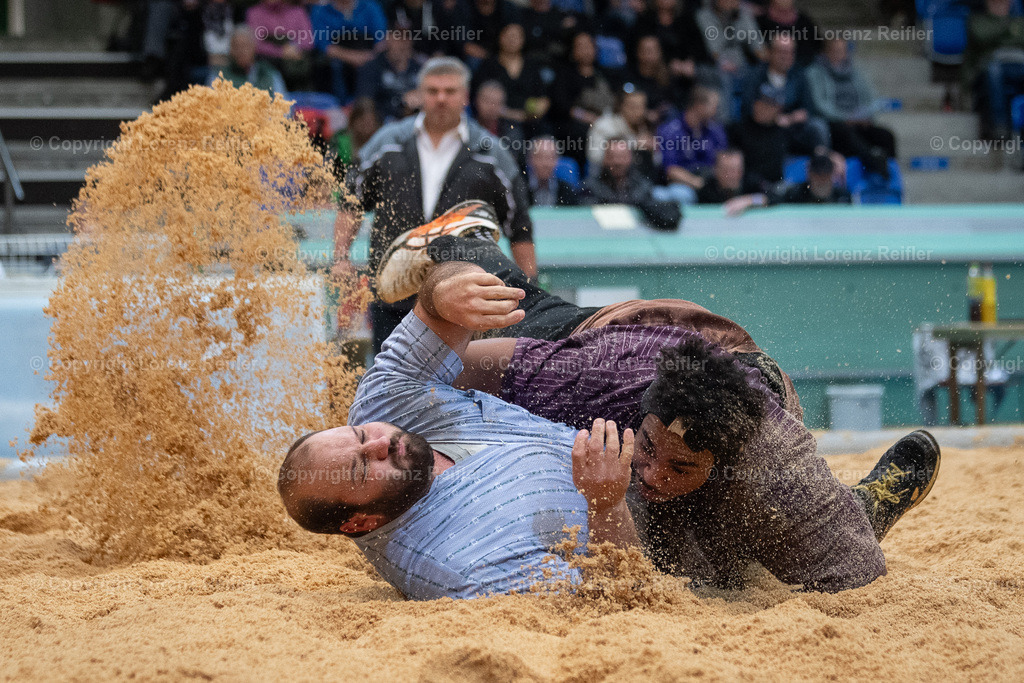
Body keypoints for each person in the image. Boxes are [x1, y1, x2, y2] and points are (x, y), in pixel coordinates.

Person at [370, 212, 942, 591]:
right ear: (638, 419)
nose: (653, 473)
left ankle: (869, 501)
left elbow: (857, 572)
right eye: (646, 448)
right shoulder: (583, 377)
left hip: (741, 385)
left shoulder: (773, 461)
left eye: (680, 465)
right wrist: (439, 306)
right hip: (612, 335)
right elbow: (459, 367)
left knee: (751, 544)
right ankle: (463, 239)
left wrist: (856, 519)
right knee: (518, 306)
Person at [278, 263, 638, 599]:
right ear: (360, 523)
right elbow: (615, 602)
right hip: (654, 515)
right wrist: (606, 505)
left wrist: (441, 292)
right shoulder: (462, 565)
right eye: (362, 467)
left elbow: (432, 313)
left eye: (360, 436)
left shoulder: (380, 406)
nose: (380, 443)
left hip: (586, 407)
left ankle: (456, 244)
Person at [335, 57, 536, 353]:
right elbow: (351, 202)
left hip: (463, 302)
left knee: (457, 392)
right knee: (392, 389)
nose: (441, 98)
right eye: (432, 91)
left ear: (465, 97)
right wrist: (340, 258)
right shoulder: (387, 143)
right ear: (420, 95)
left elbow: (518, 227)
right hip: (393, 297)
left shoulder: (490, 154)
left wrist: (530, 292)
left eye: (450, 91)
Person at [805, 38, 896, 178]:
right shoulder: (814, 72)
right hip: (833, 124)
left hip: (858, 121)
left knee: (886, 136)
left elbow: (872, 98)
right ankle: (873, 159)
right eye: (834, 51)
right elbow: (820, 104)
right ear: (825, 52)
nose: (838, 54)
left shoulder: (856, 72)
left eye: (841, 51)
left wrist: (863, 115)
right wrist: (846, 118)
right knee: (845, 132)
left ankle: (890, 181)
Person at [741, 34, 830, 155]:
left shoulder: (799, 75)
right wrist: (774, 118)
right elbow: (748, 107)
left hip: (793, 128)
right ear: (769, 52)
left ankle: (822, 164)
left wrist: (790, 118)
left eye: (790, 52)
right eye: (781, 52)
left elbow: (809, 108)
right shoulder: (755, 75)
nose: (786, 57)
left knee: (818, 127)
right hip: (764, 128)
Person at [654, 86, 729, 205]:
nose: (716, 110)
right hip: (683, 185)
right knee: (681, 194)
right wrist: (697, 183)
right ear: (699, 105)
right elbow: (670, 170)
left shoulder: (715, 130)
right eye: (713, 106)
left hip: (712, 182)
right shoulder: (670, 131)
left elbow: (724, 159)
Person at [586, 138, 682, 230]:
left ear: (630, 158)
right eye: (613, 157)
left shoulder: (642, 185)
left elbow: (663, 215)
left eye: (622, 157)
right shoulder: (591, 186)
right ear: (604, 159)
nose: (617, 162)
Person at [963, 0, 1024, 139]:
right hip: (992, 67)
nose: (1001, 5)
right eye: (996, 2)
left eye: (1004, 2)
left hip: (1019, 63)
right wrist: (1007, 27)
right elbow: (983, 36)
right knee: (994, 70)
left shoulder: (1020, 21)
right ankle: (1000, 128)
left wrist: (1001, 34)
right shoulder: (977, 21)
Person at [310, 0, 388, 104]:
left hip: (369, 56)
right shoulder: (321, 11)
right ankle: (341, 105)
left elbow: (381, 40)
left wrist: (369, 57)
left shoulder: (370, 7)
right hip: (338, 61)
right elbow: (323, 45)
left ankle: (369, 103)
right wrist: (353, 57)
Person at [727, 83, 790, 190]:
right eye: (763, 103)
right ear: (755, 104)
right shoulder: (738, 130)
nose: (766, 108)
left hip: (776, 189)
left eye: (772, 105)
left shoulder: (783, 132)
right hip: (746, 187)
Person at [587, 89, 659, 182]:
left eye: (642, 107)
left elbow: (657, 162)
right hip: (604, 181)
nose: (638, 112)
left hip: (637, 183)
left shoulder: (645, 127)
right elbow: (594, 157)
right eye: (633, 107)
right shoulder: (604, 125)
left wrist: (653, 150)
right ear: (621, 106)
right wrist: (634, 146)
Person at [354, 30, 425, 122]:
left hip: (416, 121)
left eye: (407, 37)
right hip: (383, 123)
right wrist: (402, 101)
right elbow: (365, 102)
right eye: (398, 37)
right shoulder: (372, 67)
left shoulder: (420, 68)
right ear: (388, 39)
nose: (403, 43)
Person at [247, 0, 314, 91]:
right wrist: (281, 52)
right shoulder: (255, 12)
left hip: (295, 65)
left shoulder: (298, 12)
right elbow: (256, 44)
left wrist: (294, 49)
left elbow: (308, 41)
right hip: (267, 65)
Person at [208, 26, 288, 97]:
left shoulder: (270, 74)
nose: (241, 51)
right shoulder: (218, 76)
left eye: (245, 46)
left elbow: (285, 110)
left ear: (254, 48)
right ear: (230, 50)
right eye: (236, 46)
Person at [472, 81, 527, 171]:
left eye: (496, 102)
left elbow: (510, 162)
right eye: (487, 101)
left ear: (503, 106)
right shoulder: (466, 127)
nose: (491, 107)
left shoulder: (512, 131)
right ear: (476, 100)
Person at [526, 137, 583, 206]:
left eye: (550, 158)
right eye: (540, 157)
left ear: (557, 161)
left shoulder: (567, 191)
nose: (545, 164)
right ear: (530, 159)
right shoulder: (521, 189)